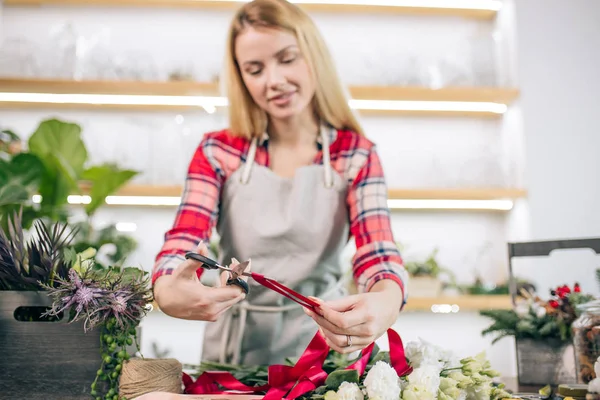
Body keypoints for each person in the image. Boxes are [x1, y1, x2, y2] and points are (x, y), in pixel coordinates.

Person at [152, 0, 408, 367]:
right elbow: (185, 238)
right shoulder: (218, 151)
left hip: (324, 354)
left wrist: (385, 300)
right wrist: (166, 286)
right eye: (254, 69)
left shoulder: (356, 154)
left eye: (287, 59)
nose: (274, 80)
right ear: (241, 78)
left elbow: (377, 251)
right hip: (232, 356)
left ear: (313, 56)